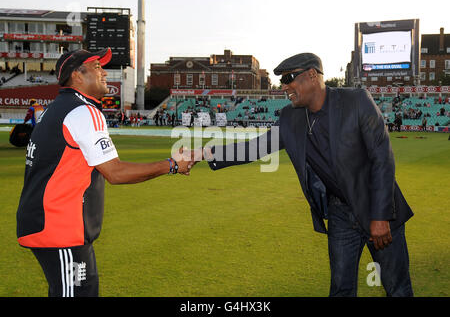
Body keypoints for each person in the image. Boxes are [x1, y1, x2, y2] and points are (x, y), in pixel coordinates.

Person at [197, 53, 414, 297]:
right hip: (340, 213)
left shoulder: (356, 101)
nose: (284, 87)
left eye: (289, 78)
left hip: (378, 208)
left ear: (312, 75)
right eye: (282, 81)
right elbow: (255, 147)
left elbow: (382, 159)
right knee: (340, 290)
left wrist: (380, 215)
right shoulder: (291, 118)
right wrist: (203, 153)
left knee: (398, 289)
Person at [16, 48, 196, 297]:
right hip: (60, 229)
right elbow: (115, 172)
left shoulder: (57, 108)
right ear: (76, 75)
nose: (104, 72)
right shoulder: (83, 111)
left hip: (51, 225)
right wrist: (173, 165)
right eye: (96, 66)